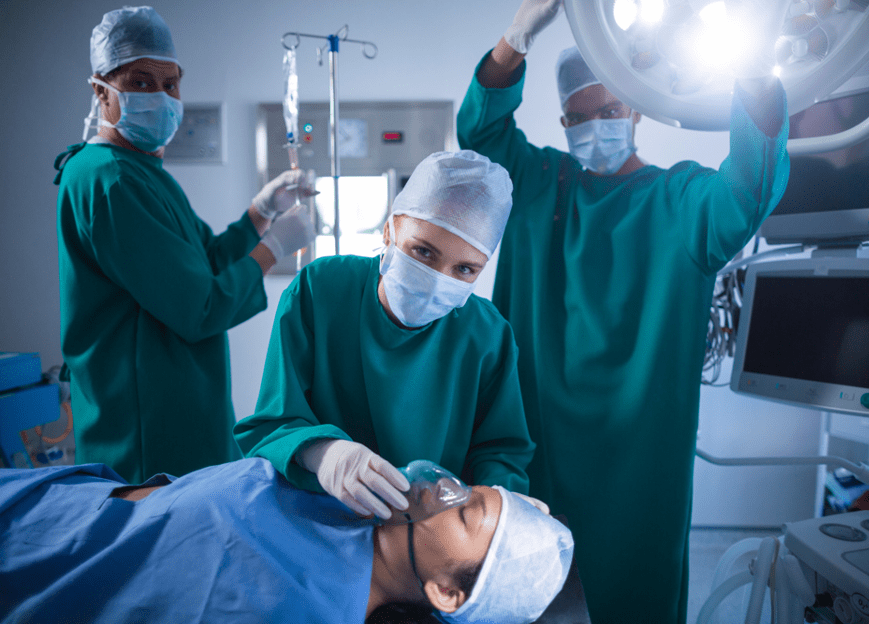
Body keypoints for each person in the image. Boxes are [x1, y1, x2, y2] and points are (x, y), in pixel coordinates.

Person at [456, 1, 791, 622]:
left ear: (635, 108)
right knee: (529, 594)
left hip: (640, 463)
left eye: (609, 110)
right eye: (579, 117)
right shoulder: (538, 185)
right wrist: (516, 36)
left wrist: (754, 67)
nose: (596, 125)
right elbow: (480, 135)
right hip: (537, 446)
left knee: (634, 599)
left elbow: (750, 187)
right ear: (561, 122)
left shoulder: (679, 199)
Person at [54, 6, 316, 483]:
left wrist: (262, 212)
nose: (161, 95)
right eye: (139, 82)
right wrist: (273, 249)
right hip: (145, 430)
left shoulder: (140, 170)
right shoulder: (110, 182)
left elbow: (204, 262)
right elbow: (200, 308)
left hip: (177, 408)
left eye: (170, 83)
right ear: (100, 90)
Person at [235, 150, 547, 521]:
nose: (438, 279)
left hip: (428, 531)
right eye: (423, 252)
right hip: (317, 517)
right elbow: (275, 419)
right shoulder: (321, 291)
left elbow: (500, 450)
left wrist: (494, 506)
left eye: (464, 269)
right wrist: (324, 453)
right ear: (390, 230)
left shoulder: (487, 334)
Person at [0, 458, 573, 624]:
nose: (446, 490)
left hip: (41, 561)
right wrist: (315, 450)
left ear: (447, 593)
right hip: (60, 501)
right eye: (467, 487)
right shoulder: (349, 510)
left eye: (466, 514)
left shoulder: (310, 607)